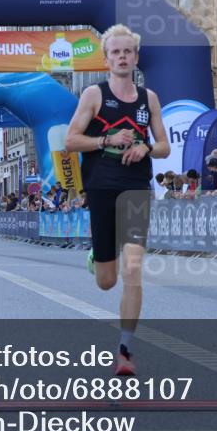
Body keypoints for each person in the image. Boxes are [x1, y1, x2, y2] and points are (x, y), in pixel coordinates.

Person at [64, 24, 171, 376]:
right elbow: (71, 140)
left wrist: (146, 147)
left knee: (134, 269)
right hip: (102, 187)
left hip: (137, 187)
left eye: (128, 52)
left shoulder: (149, 98)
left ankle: (125, 350)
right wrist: (106, 140)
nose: (122, 57)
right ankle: (98, 254)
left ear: (136, 57)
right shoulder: (94, 95)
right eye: (116, 52)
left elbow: (164, 146)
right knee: (107, 280)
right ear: (107, 58)